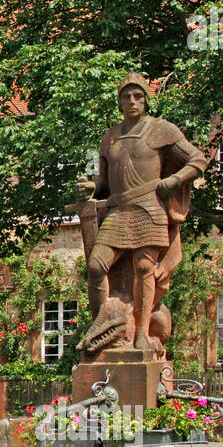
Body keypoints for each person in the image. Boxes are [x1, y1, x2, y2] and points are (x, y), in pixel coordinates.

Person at [75, 73, 207, 353]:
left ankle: (142, 335)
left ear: (146, 100)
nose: (132, 101)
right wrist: (91, 185)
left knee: (144, 268)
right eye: (126, 96)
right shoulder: (110, 136)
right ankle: (102, 328)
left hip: (149, 209)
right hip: (118, 210)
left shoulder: (162, 130)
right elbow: (103, 181)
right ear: (119, 102)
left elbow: (197, 160)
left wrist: (173, 181)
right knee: (96, 266)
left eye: (138, 96)